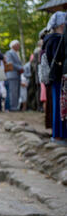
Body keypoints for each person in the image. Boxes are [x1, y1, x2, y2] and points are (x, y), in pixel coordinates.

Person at [43, 11, 66, 144]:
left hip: (55, 76)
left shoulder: (50, 38)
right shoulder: (56, 39)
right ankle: (58, 134)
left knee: (58, 105)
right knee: (59, 105)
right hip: (58, 76)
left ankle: (58, 134)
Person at [5, 40, 24, 111]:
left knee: (16, 92)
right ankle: (12, 107)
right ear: (13, 45)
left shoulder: (17, 53)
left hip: (17, 75)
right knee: (13, 92)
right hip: (12, 75)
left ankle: (15, 106)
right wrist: (20, 68)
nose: (18, 46)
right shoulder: (9, 53)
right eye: (17, 45)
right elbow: (10, 63)